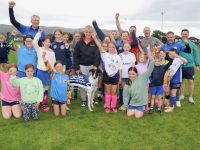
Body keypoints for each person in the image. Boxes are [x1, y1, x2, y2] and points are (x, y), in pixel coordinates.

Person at [93, 33, 122, 113]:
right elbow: (100, 46)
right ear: (108, 48)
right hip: (107, 75)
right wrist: (95, 38)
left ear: (115, 48)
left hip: (115, 76)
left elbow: (120, 68)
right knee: (108, 92)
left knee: (114, 92)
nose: (111, 48)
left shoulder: (118, 57)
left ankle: (114, 106)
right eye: (110, 47)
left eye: (113, 47)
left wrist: (120, 77)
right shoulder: (105, 55)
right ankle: (107, 106)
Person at [74, 25, 100, 107]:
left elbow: (97, 55)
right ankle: (84, 100)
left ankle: (92, 98)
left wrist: (95, 66)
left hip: (92, 67)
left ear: (92, 33)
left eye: (90, 32)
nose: (88, 33)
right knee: (83, 84)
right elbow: (75, 56)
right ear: (84, 32)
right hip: (82, 66)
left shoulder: (94, 42)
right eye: (87, 32)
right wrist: (77, 68)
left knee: (93, 84)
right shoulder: (79, 43)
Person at [32, 30, 56, 112]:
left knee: (46, 89)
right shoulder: (39, 49)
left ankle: (44, 103)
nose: (47, 43)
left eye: (49, 42)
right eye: (46, 42)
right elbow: (34, 42)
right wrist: (39, 33)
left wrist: (53, 72)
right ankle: (37, 102)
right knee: (39, 88)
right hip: (40, 72)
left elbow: (53, 64)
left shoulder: (52, 52)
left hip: (48, 73)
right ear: (43, 42)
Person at [179, 29, 200, 104]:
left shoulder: (192, 44)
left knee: (191, 81)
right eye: (183, 34)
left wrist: (197, 65)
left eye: (186, 34)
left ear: (188, 35)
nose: (184, 35)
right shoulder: (178, 44)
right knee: (182, 81)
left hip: (190, 66)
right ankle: (181, 95)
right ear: (181, 35)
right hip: (180, 65)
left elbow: (196, 55)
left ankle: (190, 97)